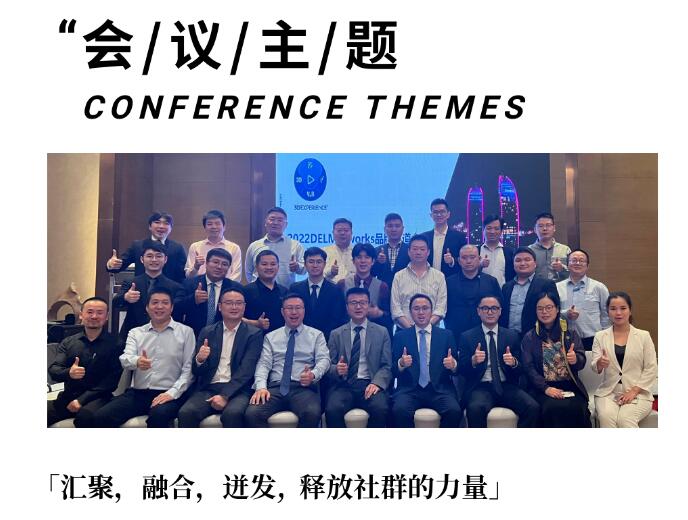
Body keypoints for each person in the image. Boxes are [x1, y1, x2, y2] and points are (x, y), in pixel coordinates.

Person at [93, 287, 195, 428]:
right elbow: (125, 358)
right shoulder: (136, 333)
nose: (159, 306)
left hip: (169, 393)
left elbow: (189, 369)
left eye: (165, 303)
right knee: (101, 417)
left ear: (171, 308)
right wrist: (137, 361)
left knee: (158, 415)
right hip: (138, 393)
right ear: (147, 308)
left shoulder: (186, 332)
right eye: (155, 302)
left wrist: (172, 393)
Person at [177, 289, 263, 428]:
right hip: (209, 387)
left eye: (238, 303)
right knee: (186, 413)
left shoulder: (254, 334)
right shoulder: (207, 331)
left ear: (244, 307)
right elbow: (197, 371)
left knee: (233, 414)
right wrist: (200, 360)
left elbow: (247, 370)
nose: (234, 307)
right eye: (229, 303)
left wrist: (224, 395)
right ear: (220, 306)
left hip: (239, 389)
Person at [245, 294, 330, 428]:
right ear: (282, 312)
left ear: (304, 311)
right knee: (252, 413)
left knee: (311, 413)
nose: (294, 312)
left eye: (298, 308)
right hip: (275, 388)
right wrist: (261, 387)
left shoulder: (316, 335)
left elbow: (324, 360)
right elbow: (263, 364)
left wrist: (313, 375)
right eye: (289, 308)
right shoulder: (271, 337)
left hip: (302, 388)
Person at [458, 295, 539, 427]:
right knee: (475, 409)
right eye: (485, 308)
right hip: (481, 387)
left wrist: (513, 363)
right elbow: (461, 370)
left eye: (494, 308)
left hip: (506, 385)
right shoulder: (467, 337)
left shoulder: (512, 335)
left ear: (500, 311)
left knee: (532, 407)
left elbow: (522, 368)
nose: (490, 312)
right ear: (478, 311)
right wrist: (473, 361)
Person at [48, 297, 122, 427]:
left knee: (85, 417)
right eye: (90, 312)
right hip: (68, 395)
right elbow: (54, 369)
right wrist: (69, 373)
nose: (94, 316)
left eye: (99, 312)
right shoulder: (68, 342)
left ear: (106, 317)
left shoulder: (116, 344)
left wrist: (81, 400)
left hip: (98, 398)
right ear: (81, 315)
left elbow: (111, 382)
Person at [520, 291, 590, 427]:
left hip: (569, 385)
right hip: (542, 388)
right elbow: (528, 368)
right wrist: (546, 388)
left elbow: (581, 360)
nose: (544, 312)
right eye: (540, 308)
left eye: (549, 307)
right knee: (552, 408)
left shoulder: (569, 333)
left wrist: (575, 359)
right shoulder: (530, 337)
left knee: (577, 407)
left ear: (557, 309)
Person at [391, 294, 462, 427]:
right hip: (409, 390)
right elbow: (392, 370)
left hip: (439, 389)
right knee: (399, 410)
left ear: (432, 311)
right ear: (410, 312)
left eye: (425, 308)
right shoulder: (400, 336)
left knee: (454, 411)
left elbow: (457, 370)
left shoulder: (446, 335)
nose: (421, 312)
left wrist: (453, 365)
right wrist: (401, 363)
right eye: (416, 309)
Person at [325, 287, 392, 428]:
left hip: (370, 383)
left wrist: (377, 383)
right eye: (353, 303)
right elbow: (327, 366)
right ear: (347, 307)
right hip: (344, 385)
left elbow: (386, 366)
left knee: (380, 408)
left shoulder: (382, 332)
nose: (358, 307)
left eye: (362, 302)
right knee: (332, 409)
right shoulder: (336, 334)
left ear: (368, 305)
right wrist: (336, 369)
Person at [590, 292, 657, 428]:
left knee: (625, 419)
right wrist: (600, 363)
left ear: (630, 310)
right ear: (608, 312)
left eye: (623, 308)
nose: (618, 313)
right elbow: (595, 366)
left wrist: (634, 391)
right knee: (605, 417)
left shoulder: (643, 336)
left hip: (638, 392)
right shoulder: (600, 336)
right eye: (613, 309)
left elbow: (651, 368)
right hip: (608, 392)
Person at [113, 240, 184, 344]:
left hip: (164, 338)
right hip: (133, 337)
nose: (154, 260)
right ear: (142, 259)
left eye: (158, 256)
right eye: (149, 256)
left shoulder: (175, 287)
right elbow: (115, 303)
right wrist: (125, 297)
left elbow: (179, 311)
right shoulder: (131, 283)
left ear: (165, 259)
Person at [177, 248, 243, 337]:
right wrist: (193, 299)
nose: (219, 267)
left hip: (224, 337)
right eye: (215, 262)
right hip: (194, 335)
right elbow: (176, 307)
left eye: (224, 264)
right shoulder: (189, 284)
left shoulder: (235, 288)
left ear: (228, 268)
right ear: (206, 263)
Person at [107, 211, 187, 283]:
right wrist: (111, 265)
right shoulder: (137, 246)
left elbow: (182, 275)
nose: (161, 226)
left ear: (171, 228)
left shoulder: (177, 248)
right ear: (150, 226)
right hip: (142, 290)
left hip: (169, 292)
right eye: (157, 222)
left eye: (166, 223)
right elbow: (119, 266)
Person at [556, 249, 610, 350]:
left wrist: (606, 338)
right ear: (567, 265)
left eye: (581, 260)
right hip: (564, 340)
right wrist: (566, 314)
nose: (577, 263)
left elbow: (606, 315)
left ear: (587, 266)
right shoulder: (557, 288)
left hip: (593, 339)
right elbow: (552, 313)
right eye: (574, 260)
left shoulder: (599, 287)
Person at [289, 247, 347, 341]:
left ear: (324, 264)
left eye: (319, 262)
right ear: (305, 264)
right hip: (300, 339)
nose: (315, 265)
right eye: (311, 262)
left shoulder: (335, 290)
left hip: (328, 340)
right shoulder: (295, 289)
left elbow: (339, 318)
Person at [391, 234, 447, 329]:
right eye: (415, 249)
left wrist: (426, 327)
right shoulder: (399, 276)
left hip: (432, 331)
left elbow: (441, 308)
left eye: (422, 249)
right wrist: (412, 330)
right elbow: (395, 308)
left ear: (428, 252)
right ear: (409, 252)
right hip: (404, 331)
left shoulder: (439, 276)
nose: (418, 252)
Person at [445, 244, 501, 339]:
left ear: (479, 259)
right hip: (455, 334)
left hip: (485, 334)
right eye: (464, 258)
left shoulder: (491, 281)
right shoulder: (448, 282)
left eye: (472, 257)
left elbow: (499, 308)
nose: (468, 261)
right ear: (459, 260)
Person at [337, 242, 393, 337]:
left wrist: (379, 313)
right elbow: (336, 314)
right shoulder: (342, 284)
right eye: (359, 257)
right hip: (347, 335)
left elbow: (389, 316)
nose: (363, 261)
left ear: (373, 261)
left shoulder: (382, 286)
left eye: (367, 257)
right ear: (353, 261)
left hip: (374, 337)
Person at [500, 247, 556, 337]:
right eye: (518, 260)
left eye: (527, 260)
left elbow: (553, 312)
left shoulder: (546, 284)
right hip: (509, 337)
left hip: (536, 337)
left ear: (535, 263)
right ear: (513, 264)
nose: (522, 263)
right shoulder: (506, 287)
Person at [244, 207, 306, 287]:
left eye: (280, 220)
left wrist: (297, 267)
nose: (275, 223)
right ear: (266, 222)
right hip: (259, 291)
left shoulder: (295, 245)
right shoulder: (254, 246)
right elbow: (249, 272)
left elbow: (304, 270)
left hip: (285, 291)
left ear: (286, 225)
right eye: (272, 219)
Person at [185, 209, 242, 282]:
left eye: (217, 223)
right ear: (204, 227)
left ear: (224, 227)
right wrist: (196, 267)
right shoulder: (195, 247)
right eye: (209, 224)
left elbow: (236, 275)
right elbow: (188, 277)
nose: (214, 227)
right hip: (200, 287)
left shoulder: (234, 248)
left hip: (226, 288)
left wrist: (221, 287)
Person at [243, 250, 288, 334]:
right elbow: (235, 318)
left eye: (273, 264)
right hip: (254, 339)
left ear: (278, 267)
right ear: (256, 267)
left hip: (280, 339)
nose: (269, 267)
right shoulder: (246, 291)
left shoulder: (284, 291)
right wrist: (255, 323)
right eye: (264, 264)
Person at [421, 198, 466, 277]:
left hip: (450, 280)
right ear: (431, 215)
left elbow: (465, 259)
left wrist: (452, 261)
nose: (439, 215)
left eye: (442, 212)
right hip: (427, 280)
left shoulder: (459, 237)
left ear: (448, 214)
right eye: (435, 212)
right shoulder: (424, 237)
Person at [528, 212, 571, 282]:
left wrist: (562, 269)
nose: (545, 228)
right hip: (537, 288)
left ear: (554, 228)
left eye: (548, 225)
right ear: (535, 230)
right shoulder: (529, 251)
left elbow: (573, 274)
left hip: (559, 288)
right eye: (540, 226)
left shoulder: (565, 249)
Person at [372, 213, 410, 287]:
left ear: (403, 229)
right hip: (382, 291)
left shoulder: (410, 250)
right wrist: (379, 262)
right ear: (384, 229)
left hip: (405, 290)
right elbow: (372, 274)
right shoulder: (376, 251)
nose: (394, 229)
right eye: (390, 226)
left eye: (397, 226)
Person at [479, 214, 515, 287]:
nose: (492, 232)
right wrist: (479, 265)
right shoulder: (475, 251)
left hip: (503, 292)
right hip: (480, 292)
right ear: (483, 230)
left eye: (496, 229)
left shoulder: (510, 252)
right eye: (489, 228)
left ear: (501, 231)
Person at [324, 218, 355, 284]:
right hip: (330, 288)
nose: (342, 233)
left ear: (351, 233)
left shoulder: (357, 252)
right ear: (333, 233)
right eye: (339, 230)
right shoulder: (324, 252)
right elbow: (317, 275)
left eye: (346, 230)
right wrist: (330, 272)